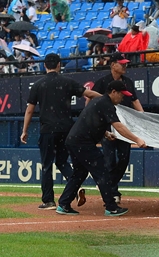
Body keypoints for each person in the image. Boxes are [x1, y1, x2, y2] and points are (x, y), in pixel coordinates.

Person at [20, 53, 101, 210]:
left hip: (48, 130)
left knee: (47, 165)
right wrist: (106, 100)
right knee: (62, 162)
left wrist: (24, 130)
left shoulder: (38, 85)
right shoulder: (67, 82)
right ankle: (75, 187)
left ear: (45, 65)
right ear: (59, 65)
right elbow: (89, 94)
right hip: (67, 129)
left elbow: (30, 110)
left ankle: (48, 200)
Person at [56, 80, 146, 217]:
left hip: (74, 140)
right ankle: (111, 207)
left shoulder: (99, 101)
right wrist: (137, 139)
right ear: (114, 92)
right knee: (102, 172)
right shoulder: (106, 104)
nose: (122, 98)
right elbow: (119, 126)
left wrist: (105, 133)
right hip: (82, 142)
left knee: (79, 173)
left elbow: (91, 121)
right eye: (121, 94)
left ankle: (64, 204)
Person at [90, 53, 144, 205]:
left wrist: (144, 118)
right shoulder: (102, 82)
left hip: (124, 127)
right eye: (122, 63)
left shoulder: (128, 82)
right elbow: (90, 99)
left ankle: (108, 184)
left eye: (125, 63)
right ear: (113, 65)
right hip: (107, 127)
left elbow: (135, 100)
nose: (125, 66)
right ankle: (112, 192)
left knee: (124, 159)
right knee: (109, 160)